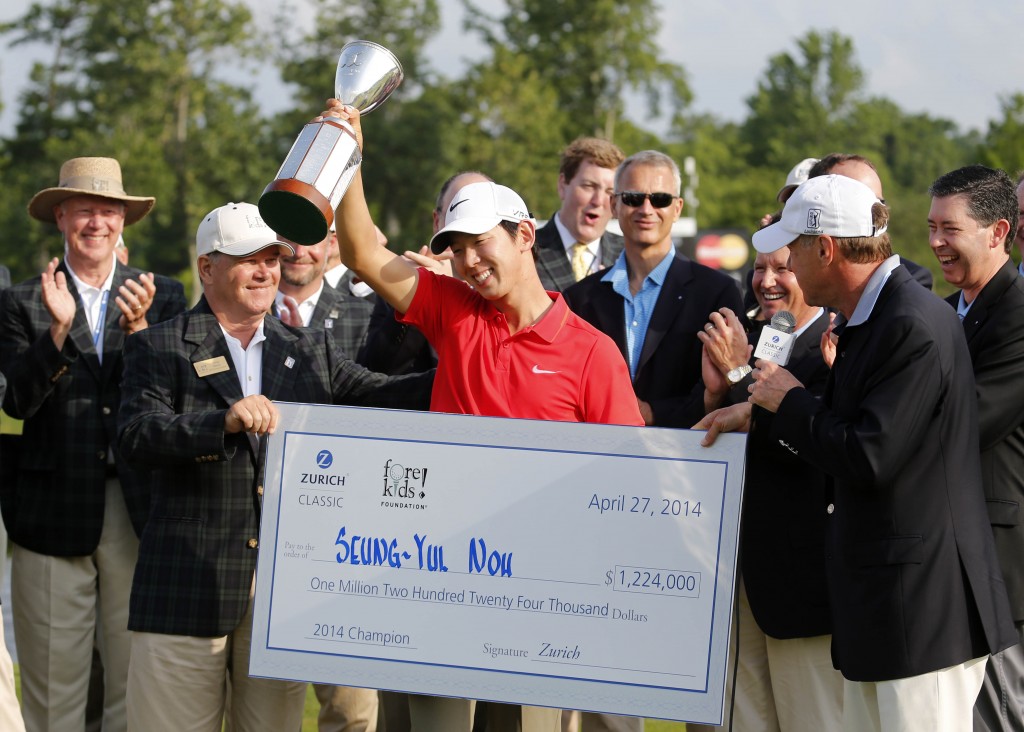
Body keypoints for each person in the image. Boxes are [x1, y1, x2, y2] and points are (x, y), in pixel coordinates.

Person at [324, 99, 643, 732]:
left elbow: (626, 488)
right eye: (458, 249)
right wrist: (348, 152)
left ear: (524, 235)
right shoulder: (455, 309)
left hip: (541, 598)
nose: (469, 262)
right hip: (441, 580)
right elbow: (361, 251)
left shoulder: (592, 354)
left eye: (481, 244)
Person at [701, 174, 1017, 732]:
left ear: (825, 248)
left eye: (795, 251)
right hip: (884, 608)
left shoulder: (907, 322)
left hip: (922, 615)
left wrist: (791, 402)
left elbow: (870, 454)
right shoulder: (876, 318)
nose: (788, 269)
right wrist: (764, 410)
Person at [116, 201, 431, 732]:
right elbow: (136, 433)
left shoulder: (310, 350)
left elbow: (387, 396)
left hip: (281, 598)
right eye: (247, 258)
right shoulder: (159, 344)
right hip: (186, 588)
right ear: (207, 267)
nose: (265, 270)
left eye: (272, 257)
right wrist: (222, 422)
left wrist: (475, 354)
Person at [0, 156, 186, 732]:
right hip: (51, 513)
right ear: (61, 217)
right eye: (84, 209)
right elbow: (15, 405)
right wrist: (57, 334)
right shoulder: (22, 303)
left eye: (109, 210)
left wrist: (140, 336)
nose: (97, 222)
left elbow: (173, 399)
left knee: (134, 687)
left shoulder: (163, 296)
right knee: (55, 694)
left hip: (135, 511)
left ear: (125, 220)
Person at [688, 246, 840, 732]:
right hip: (739, 577)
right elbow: (717, 435)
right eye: (758, 268)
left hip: (806, 587)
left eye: (782, 268)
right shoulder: (755, 342)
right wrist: (716, 391)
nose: (767, 281)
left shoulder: (835, 348)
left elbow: (804, 446)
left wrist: (736, 377)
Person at [926, 165, 1024, 732]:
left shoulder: (1018, 316)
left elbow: (969, 423)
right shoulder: (942, 314)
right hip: (949, 563)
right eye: (932, 226)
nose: (936, 242)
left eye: (951, 228)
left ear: (997, 232)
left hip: (1000, 567)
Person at [563, 150, 743, 429]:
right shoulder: (579, 299)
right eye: (634, 198)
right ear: (614, 205)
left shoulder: (716, 292)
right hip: (598, 455)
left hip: (686, 456)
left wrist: (652, 412)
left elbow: (724, 391)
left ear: (677, 208)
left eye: (660, 199)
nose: (646, 209)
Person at [361, 171, 492, 377]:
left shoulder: (513, 287)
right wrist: (417, 297)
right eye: (456, 211)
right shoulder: (403, 282)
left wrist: (449, 297)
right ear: (437, 221)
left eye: (480, 214)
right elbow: (375, 369)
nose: (467, 225)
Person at [807, 153, 934, 290]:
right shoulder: (789, 274)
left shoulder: (909, 281)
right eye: (859, 201)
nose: (872, 214)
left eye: (879, 203)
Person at [533, 137, 625, 291]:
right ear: (563, 185)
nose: (598, 201)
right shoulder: (526, 253)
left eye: (610, 192)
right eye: (589, 186)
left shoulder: (629, 256)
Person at [274, 230, 374, 363]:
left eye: (311, 241)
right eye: (289, 238)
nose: (299, 253)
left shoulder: (363, 316)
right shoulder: (243, 310)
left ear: (331, 244)